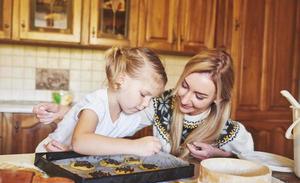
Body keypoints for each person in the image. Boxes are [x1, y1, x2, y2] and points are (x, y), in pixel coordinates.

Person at [34, 49, 253, 160]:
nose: (185, 99)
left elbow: (252, 166)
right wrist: (68, 114)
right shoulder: (157, 104)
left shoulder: (231, 132)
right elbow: (104, 118)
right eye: (184, 85)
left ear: (218, 99)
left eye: (199, 96)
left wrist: (219, 155)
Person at [34, 47, 168, 157]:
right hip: (48, 156)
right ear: (121, 79)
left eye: (151, 99)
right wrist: (135, 146)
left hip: (69, 159)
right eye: (144, 95)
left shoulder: (129, 115)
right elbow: (80, 141)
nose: (146, 104)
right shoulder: (97, 101)